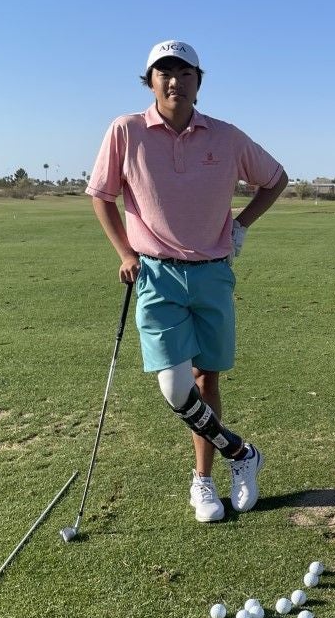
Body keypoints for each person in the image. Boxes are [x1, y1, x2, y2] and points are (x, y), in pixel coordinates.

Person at [85, 40, 288, 522]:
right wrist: (124, 251)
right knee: (175, 388)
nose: (174, 80)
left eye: (184, 72)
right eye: (163, 72)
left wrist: (240, 226)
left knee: (206, 379)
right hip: (156, 274)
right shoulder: (126, 130)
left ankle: (204, 481)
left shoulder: (227, 137)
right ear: (150, 81)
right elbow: (102, 195)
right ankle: (242, 454)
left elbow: (275, 179)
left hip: (213, 273)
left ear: (199, 80)